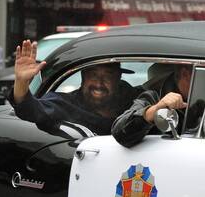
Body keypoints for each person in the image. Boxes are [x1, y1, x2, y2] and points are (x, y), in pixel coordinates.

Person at [8, 39, 137, 136]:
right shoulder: (64, 104)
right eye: (93, 75)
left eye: (108, 76)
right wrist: (21, 81)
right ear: (83, 76)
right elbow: (30, 109)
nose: (99, 83)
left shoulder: (133, 102)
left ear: (118, 78)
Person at [112, 63, 193, 147]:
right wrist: (155, 110)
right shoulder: (152, 98)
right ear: (185, 74)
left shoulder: (200, 102)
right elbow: (120, 133)